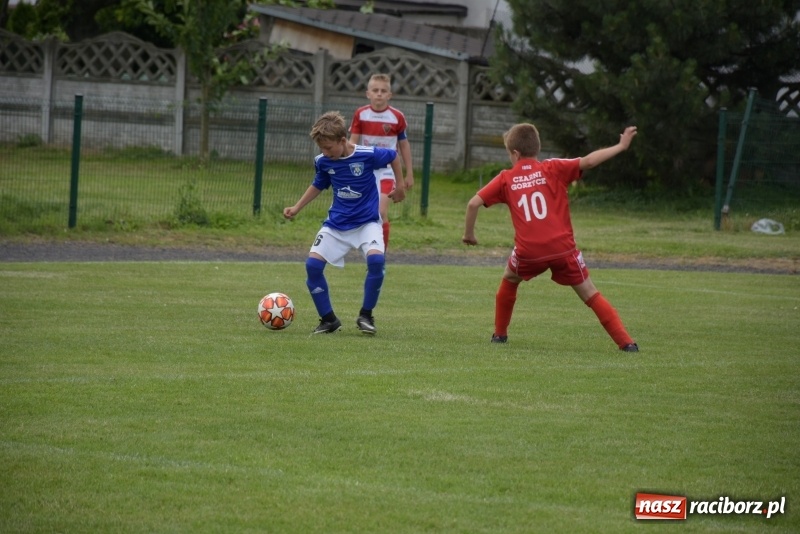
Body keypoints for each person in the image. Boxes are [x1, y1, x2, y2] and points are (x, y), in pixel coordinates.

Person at [462, 123, 640, 352]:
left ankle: (499, 335)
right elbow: (589, 161)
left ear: (515, 153)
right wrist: (621, 146)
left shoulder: (506, 178)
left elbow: (473, 203)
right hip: (563, 249)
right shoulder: (553, 168)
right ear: (537, 147)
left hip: (529, 252)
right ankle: (626, 343)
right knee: (589, 292)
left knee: (510, 279)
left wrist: (469, 234)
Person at [284, 111, 406, 335]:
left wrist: (400, 186)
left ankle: (366, 315)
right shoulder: (323, 162)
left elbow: (392, 155)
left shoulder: (366, 155)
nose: (325, 152)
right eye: (322, 148)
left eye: (329, 148)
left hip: (367, 223)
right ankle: (328, 319)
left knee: (377, 261)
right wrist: (297, 207)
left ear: (343, 141)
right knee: (312, 267)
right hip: (336, 225)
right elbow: (318, 184)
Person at [349, 73, 415, 252]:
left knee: (381, 212)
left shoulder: (397, 117)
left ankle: (380, 257)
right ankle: (367, 247)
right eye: (375, 90)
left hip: (388, 170)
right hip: (366, 170)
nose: (379, 94)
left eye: (383, 91)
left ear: (389, 95)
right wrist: (346, 164)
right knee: (362, 212)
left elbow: (404, 145)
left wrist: (409, 173)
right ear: (368, 93)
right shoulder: (361, 114)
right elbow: (353, 142)